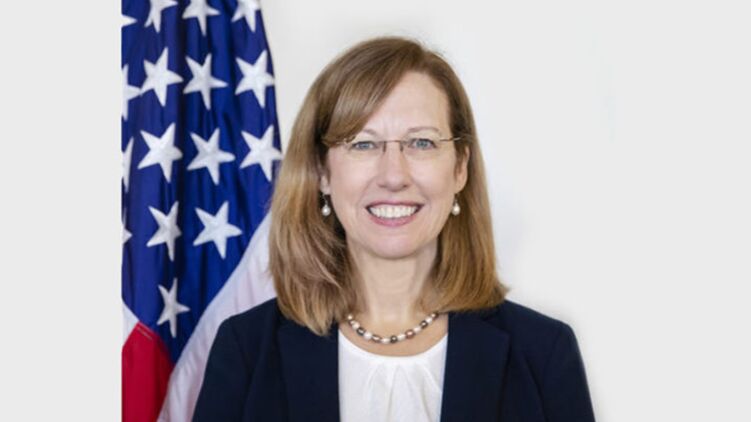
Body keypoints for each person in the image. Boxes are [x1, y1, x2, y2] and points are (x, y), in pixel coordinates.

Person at [193, 36, 596, 422]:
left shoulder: (543, 353)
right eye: (363, 144)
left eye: (421, 143)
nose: (393, 176)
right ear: (321, 172)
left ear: (460, 168)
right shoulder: (245, 351)